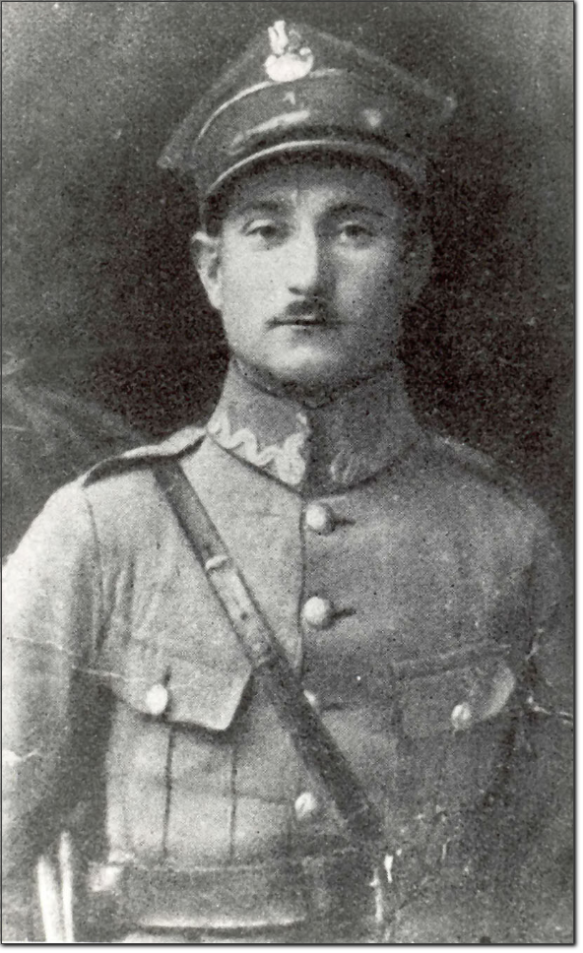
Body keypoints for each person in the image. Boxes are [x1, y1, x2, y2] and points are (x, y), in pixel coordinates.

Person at [2, 19, 572, 944]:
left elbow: (552, 884)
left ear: (413, 265)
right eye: (266, 230)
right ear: (211, 268)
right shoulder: (100, 533)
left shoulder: (502, 539)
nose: (307, 275)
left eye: (353, 230)